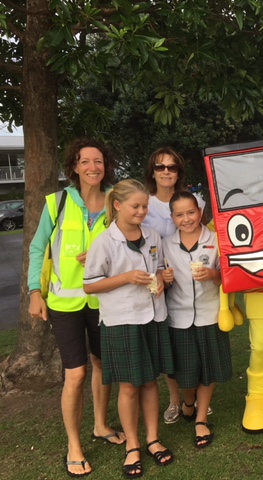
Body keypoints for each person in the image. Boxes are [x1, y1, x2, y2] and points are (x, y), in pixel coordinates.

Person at [27, 138, 122, 477]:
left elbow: (128, 239)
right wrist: (34, 291)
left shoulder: (116, 201)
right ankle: (74, 445)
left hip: (103, 298)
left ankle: (99, 424)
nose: (93, 167)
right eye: (86, 161)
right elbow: (38, 249)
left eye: (99, 161)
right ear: (75, 166)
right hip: (64, 302)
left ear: (105, 165)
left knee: (102, 364)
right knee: (76, 373)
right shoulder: (57, 202)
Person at [83, 179, 174, 478]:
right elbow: (90, 285)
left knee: (150, 381)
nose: (142, 211)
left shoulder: (152, 235)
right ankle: (132, 445)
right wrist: (125, 278)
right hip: (122, 320)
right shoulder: (104, 242)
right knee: (129, 385)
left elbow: (158, 268)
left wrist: (161, 278)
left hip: (151, 316)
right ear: (118, 205)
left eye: (145, 206)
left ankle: (153, 439)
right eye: (136, 206)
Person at [161, 191, 232, 448]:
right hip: (178, 317)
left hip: (210, 314)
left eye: (191, 212)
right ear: (172, 218)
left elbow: (230, 275)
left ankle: (201, 418)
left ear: (200, 212)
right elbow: (159, 274)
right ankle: (187, 401)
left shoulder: (216, 239)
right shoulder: (166, 243)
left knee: (208, 368)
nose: (186, 219)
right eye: (179, 215)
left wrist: (214, 274)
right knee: (185, 371)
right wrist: (164, 279)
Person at [142, 146, 207, 424]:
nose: (166, 172)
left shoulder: (195, 201)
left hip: (191, 286)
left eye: (172, 167)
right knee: (169, 346)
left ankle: (197, 398)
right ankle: (174, 399)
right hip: (159, 284)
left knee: (194, 344)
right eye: (160, 167)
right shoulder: (145, 204)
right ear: (152, 172)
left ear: (179, 172)